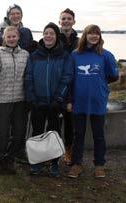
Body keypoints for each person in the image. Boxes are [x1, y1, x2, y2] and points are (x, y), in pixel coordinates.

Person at [67, 25, 119, 178]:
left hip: (98, 102)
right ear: (85, 35)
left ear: (100, 36)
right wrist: (69, 100)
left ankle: (99, 165)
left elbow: (114, 76)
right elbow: (69, 79)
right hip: (79, 101)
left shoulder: (106, 55)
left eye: (97, 33)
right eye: (91, 33)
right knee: (78, 134)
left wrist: (99, 84)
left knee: (99, 135)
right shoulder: (75, 55)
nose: (94, 36)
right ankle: (76, 164)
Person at [24, 22, 73, 177]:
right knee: (37, 132)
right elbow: (28, 78)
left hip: (55, 103)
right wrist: (31, 98)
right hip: (38, 102)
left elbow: (67, 78)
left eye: (51, 33)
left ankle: (54, 164)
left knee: (54, 133)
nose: (48, 36)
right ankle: (37, 163)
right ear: (43, 35)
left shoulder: (64, 55)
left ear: (56, 36)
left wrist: (59, 98)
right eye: (46, 33)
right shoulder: (35, 55)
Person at [0, 26, 29, 174]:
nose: (11, 39)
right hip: (2, 100)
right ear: (5, 39)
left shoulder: (25, 55)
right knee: (3, 133)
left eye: (14, 36)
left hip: (20, 100)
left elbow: (27, 78)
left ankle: (10, 159)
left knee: (19, 133)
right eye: (8, 37)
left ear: (18, 37)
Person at [58, 8, 79, 165]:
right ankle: (52, 152)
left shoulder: (79, 41)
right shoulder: (53, 38)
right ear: (60, 21)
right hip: (56, 84)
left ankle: (69, 150)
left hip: (75, 85)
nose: (66, 21)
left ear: (73, 21)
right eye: (63, 18)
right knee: (53, 120)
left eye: (69, 18)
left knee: (70, 121)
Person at [0, 4, 35, 73]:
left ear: (21, 15)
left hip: (24, 75)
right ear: (8, 16)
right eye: (12, 14)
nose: (15, 16)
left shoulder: (27, 32)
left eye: (18, 13)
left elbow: (31, 54)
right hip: (6, 77)